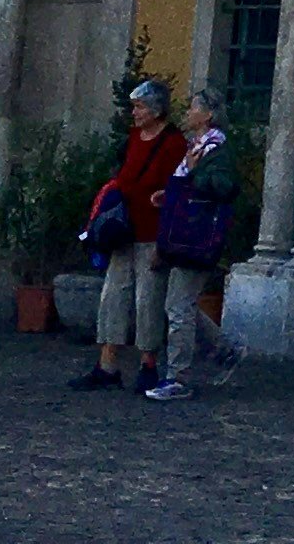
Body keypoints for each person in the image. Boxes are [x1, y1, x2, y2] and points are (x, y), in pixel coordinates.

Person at [72, 77, 187, 393]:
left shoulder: (174, 143)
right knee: (114, 296)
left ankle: (148, 364)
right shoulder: (135, 138)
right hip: (124, 231)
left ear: (155, 109)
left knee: (148, 300)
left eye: (138, 107)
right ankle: (107, 364)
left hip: (152, 233)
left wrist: (165, 240)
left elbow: (177, 192)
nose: (134, 113)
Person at [141, 84, 248, 403]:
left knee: (178, 306)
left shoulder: (215, 150)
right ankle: (225, 350)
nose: (187, 113)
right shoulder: (198, 146)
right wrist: (172, 194)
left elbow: (224, 186)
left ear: (208, 115)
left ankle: (178, 376)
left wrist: (192, 179)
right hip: (184, 233)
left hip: (196, 237)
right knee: (179, 304)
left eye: (193, 108)